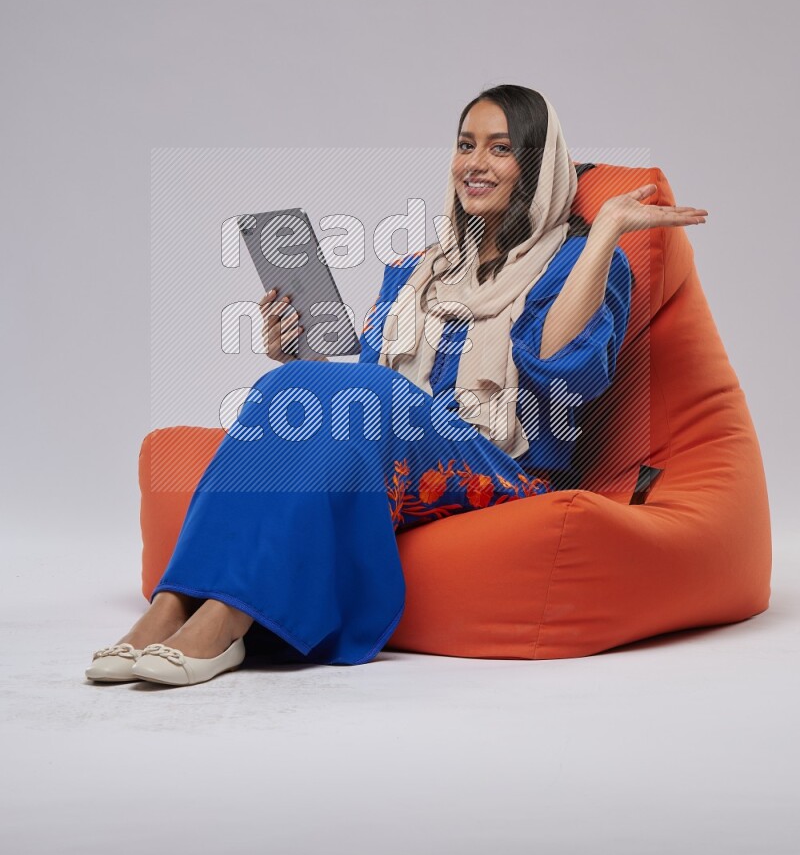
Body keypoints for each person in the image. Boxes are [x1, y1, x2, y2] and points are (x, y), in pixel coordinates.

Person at [85, 85, 707, 686]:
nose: (476, 163)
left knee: (368, 400)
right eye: (466, 145)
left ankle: (225, 622)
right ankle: (170, 605)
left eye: (501, 147)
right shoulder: (415, 272)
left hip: (506, 468)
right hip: (400, 440)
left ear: (539, 165)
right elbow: (368, 383)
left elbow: (564, 371)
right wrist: (292, 352)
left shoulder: (582, 263)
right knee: (288, 392)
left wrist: (603, 233)